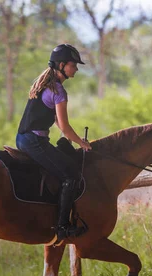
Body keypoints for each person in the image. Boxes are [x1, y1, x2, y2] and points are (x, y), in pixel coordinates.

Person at [16, 44, 92, 241]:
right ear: (61, 65)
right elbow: (65, 127)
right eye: (73, 64)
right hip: (35, 142)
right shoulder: (58, 90)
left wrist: (71, 138)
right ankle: (62, 226)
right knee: (71, 174)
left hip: (24, 138)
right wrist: (82, 144)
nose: (76, 68)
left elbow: (57, 121)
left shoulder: (45, 86)